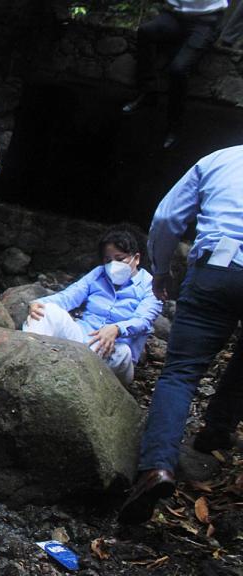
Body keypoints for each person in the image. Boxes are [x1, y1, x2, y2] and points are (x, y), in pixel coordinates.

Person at [118, 145, 243, 525]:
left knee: (181, 373)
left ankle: (156, 468)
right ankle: (216, 431)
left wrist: (160, 269)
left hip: (219, 268)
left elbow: (168, 217)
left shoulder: (220, 159)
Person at [23, 228, 162, 385]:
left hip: (113, 351)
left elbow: (143, 321)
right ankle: (28, 363)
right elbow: (68, 297)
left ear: (136, 259)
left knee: (123, 353)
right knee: (46, 311)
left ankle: (67, 372)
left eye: (120, 258)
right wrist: (39, 303)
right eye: (108, 260)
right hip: (81, 338)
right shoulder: (99, 273)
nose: (113, 265)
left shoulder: (151, 286)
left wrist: (117, 329)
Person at [121, 0, 228, 149]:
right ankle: (148, 92)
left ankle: (174, 125)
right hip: (176, 16)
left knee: (178, 69)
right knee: (146, 32)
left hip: (206, 21)